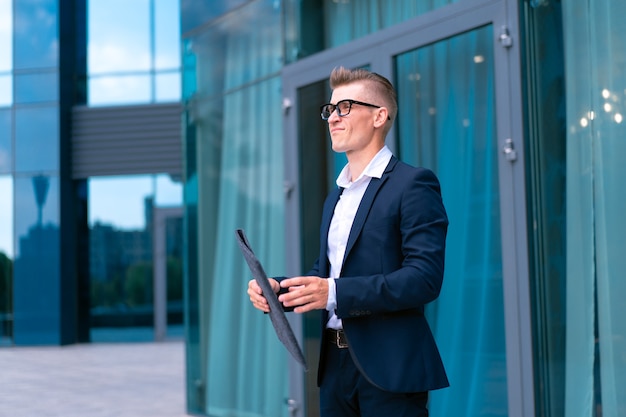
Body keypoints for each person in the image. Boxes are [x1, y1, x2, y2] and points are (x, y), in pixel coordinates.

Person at [248, 66, 449, 417]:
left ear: (379, 116)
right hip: (334, 368)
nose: (332, 118)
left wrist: (334, 292)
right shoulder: (336, 197)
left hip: (390, 370)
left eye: (345, 107)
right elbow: (325, 274)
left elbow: (424, 279)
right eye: (330, 110)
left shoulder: (413, 184)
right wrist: (277, 290)